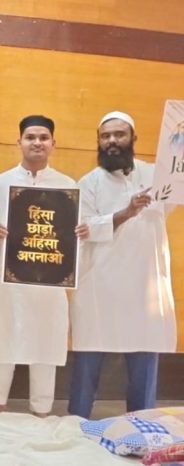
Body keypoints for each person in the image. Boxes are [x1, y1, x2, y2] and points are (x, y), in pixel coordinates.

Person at [68, 111, 176, 418]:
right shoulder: (88, 183)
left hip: (145, 286)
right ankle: (76, 423)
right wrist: (126, 212)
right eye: (106, 136)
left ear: (133, 138)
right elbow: (84, 229)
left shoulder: (157, 176)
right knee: (88, 359)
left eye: (119, 134)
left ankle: (141, 425)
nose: (112, 141)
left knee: (144, 358)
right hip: (100, 286)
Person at [0, 115, 88, 417]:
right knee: (3, 338)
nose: (37, 143)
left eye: (43, 138)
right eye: (31, 137)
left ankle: (41, 408)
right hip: (9, 279)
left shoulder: (68, 186)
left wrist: (79, 235)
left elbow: (73, 238)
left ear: (53, 143)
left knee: (47, 341)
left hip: (50, 280)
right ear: (19, 142)